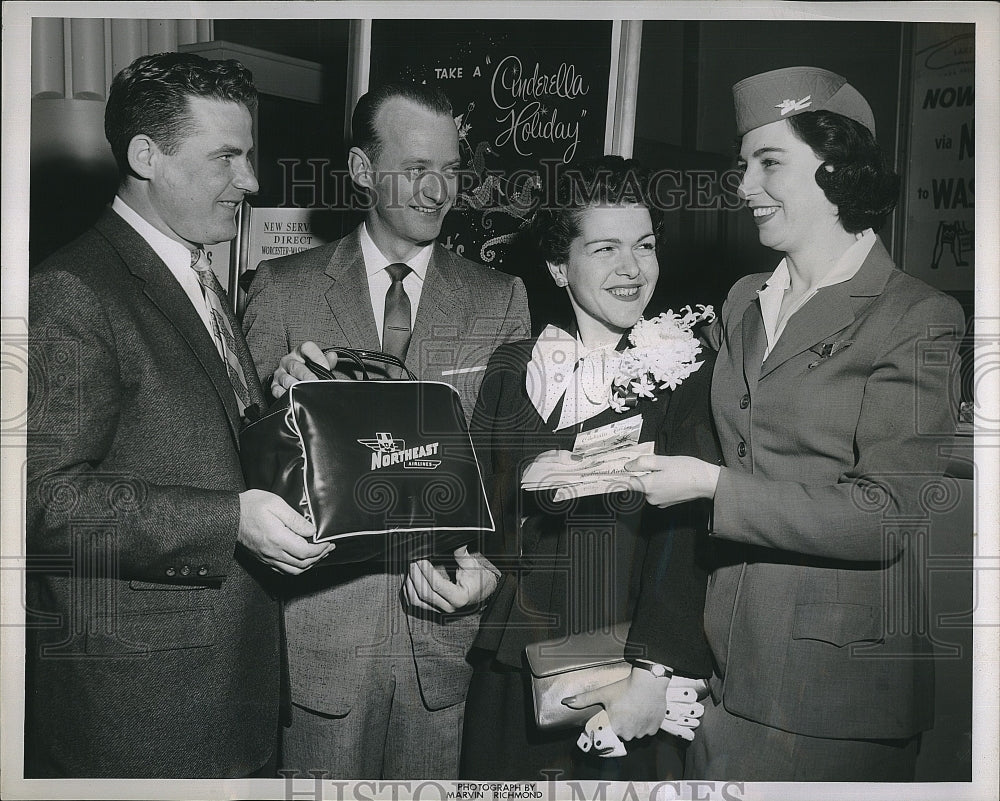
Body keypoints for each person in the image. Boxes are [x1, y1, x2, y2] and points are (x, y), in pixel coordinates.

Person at [625, 67, 966, 781]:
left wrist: (713, 486)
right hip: (722, 673)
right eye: (743, 163)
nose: (744, 185)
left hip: (835, 698)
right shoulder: (746, 297)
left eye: (768, 162)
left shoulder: (915, 316)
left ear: (837, 166)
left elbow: (887, 514)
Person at [25, 52, 332, 778]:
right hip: (142, 713)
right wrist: (230, 520)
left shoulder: (192, 267)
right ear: (145, 156)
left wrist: (279, 408)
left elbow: (181, 431)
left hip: (224, 686)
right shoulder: (70, 288)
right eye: (228, 156)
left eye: (249, 155)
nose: (252, 180)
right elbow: (39, 498)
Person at [242, 81, 530, 779]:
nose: (440, 191)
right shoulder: (283, 288)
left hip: (442, 643)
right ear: (363, 171)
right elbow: (234, 462)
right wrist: (278, 404)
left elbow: (511, 473)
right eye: (417, 169)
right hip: (318, 646)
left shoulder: (501, 299)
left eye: (452, 170)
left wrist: (493, 571)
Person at [459, 155, 720, 781]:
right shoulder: (514, 368)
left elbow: (688, 546)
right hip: (518, 658)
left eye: (645, 247)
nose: (631, 269)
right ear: (558, 265)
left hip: (629, 671)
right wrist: (475, 570)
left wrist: (653, 675)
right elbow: (484, 509)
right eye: (605, 248)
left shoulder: (687, 372)